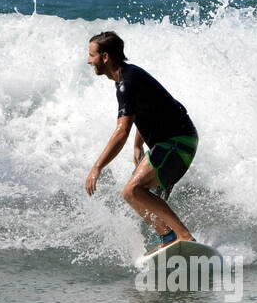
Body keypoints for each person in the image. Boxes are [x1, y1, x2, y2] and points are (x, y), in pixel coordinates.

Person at [83, 31, 199, 249]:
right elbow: (150, 108)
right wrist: (138, 144)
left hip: (178, 142)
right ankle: (167, 237)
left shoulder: (128, 81)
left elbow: (121, 130)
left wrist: (97, 167)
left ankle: (183, 236)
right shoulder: (126, 77)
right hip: (170, 143)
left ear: (105, 57)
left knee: (132, 190)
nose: (89, 60)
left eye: (92, 55)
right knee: (133, 194)